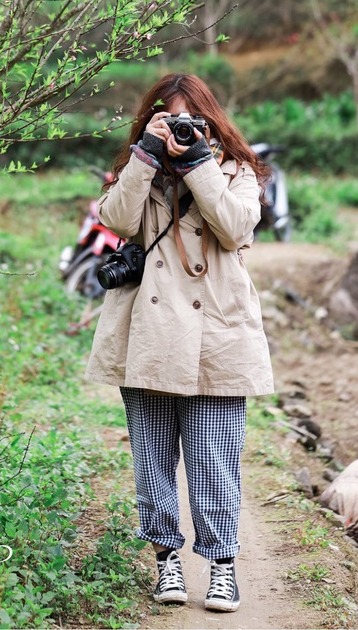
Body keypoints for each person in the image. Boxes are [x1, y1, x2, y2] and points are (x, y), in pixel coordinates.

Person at [84, 73, 275, 612]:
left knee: (214, 460)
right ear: (150, 121)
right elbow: (116, 220)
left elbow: (237, 229)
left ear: (212, 121)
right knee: (152, 457)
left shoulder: (236, 172)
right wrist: (145, 156)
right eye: (169, 118)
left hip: (217, 332)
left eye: (193, 119)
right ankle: (166, 558)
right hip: (148, 334)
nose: (181, 129)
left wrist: (197, 166)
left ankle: (221, 566)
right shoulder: (135, 172)